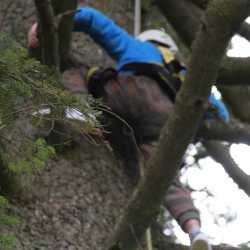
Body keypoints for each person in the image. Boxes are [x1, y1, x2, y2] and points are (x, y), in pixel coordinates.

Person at [28, 7, 230, 250]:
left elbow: (96, 22)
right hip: (164, 121)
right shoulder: (187, 74)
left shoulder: (139, 48)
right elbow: (222, 113)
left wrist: (52, 24)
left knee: (79, 72)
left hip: (128, 94)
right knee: (165, 180)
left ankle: (80, 111)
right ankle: (194, 228)